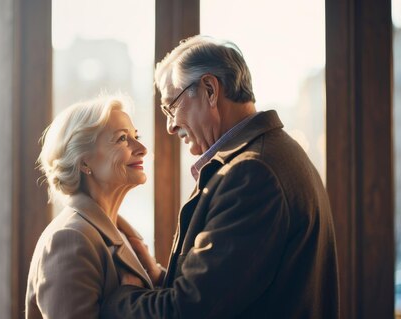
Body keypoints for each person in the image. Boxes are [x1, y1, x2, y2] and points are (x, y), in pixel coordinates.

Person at [100, 35, 340, 318]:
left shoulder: (253, 175)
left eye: (171, 106)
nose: (169, 126)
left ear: (210, 90)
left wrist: (119, 297)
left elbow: (189, 311)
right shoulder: (272, 155)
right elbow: (231, 293)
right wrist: (158, 277)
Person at [25, 94, 153, 319]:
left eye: (136, 136)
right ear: (84, 161)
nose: (142, 148)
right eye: (123, 138)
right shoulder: (69, 239)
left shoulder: (119, 231)